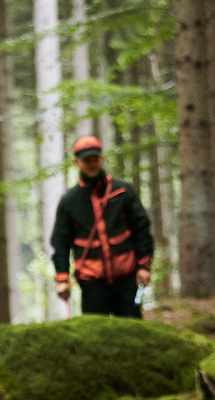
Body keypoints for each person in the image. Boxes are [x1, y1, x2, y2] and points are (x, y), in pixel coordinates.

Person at [51, 135, 154, 318]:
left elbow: (141, 228)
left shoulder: (123, 191)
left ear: (101, 158)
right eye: (86, 160)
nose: (92, 164)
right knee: (95, 335)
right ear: (77, 162)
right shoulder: (69, 202)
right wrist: (62, 279)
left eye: (95, 159)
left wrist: (144, 266)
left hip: (127, 278)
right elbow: (61, 242)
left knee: (132, 331)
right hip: (91, 283)